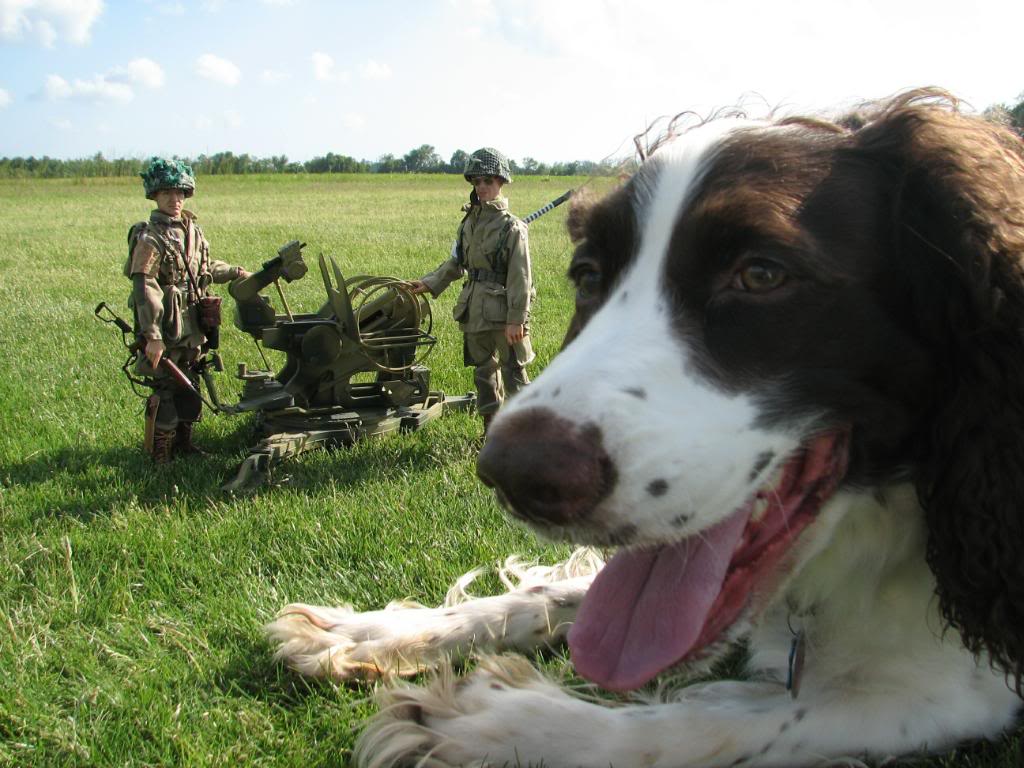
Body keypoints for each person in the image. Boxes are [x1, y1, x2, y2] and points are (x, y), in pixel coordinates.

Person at [125, 157, 250, 463]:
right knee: (166, 385)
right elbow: (145, 289)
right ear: (155, 195)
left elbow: (204, 268)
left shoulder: (192, 231)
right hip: (167, 324)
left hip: (193, 322)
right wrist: (152, 336)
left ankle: (184, 443)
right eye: (168, 192)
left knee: (190, 380)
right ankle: (161, 453)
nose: (175, 199)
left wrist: (235, 272)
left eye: (180, 193)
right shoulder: (150, 237)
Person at [409, 147, 534, 434]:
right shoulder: (468, 223)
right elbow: (456, 263)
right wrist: (429, 282)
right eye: (476, 182)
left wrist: (518, 319)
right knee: (484, 374)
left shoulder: (512, 228)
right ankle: (492, 432)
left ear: (500, 182)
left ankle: (528, 437)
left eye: (487, 181)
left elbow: (521, 277)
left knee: (514, 373)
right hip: (474, 308)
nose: (481, 188)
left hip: (503, 313)